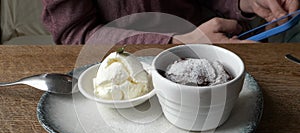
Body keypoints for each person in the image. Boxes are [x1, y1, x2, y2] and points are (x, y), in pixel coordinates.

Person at [42, 0, 299, 45]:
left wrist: (245, 3)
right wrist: (178, 41)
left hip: (220, 46)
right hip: (125, 66)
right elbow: (76, 35)